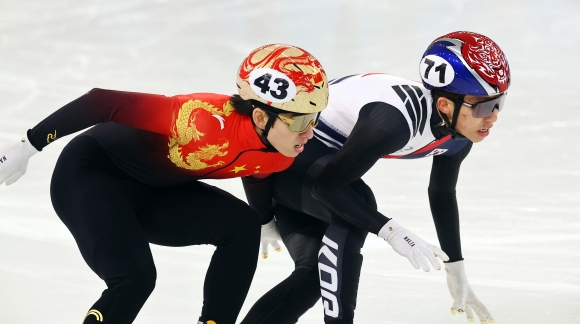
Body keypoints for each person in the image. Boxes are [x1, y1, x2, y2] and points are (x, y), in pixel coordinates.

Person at [0, 44, 329, 324]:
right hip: (92, 177)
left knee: (242, 225)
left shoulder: (283, 151)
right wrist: (28, 146)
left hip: (156, 193)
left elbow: (255, 173)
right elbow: (100, 102)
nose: (310, 132)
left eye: (315, 119)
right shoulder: (201, 118)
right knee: (134, 279)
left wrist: (264, 221)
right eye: (301, 120)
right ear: (260, 117)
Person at [240, 31, 509, 324]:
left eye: (499, 103)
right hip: (289, 166)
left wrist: (456, 271)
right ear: (445, 105)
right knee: (359, 203)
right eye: (484, 106)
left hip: (314, 176)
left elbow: (442, 194)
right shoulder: (394, 120)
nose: (493, 116)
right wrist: (390, 230)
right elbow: (328, 185)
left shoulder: (460, 132)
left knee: (313, 279)